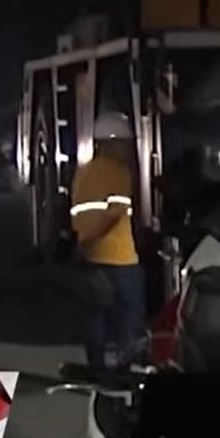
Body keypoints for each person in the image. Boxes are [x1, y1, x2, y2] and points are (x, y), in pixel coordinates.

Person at [71, 111, 145, 378]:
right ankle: (126, 368)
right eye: (124, 144)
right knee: (129, 315)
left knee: (95, 315)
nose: (127, 150)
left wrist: (83, 244)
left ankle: (96, 366)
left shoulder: (84, 172)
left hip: (90, 258)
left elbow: (78, 213)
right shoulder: (119, 172)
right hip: (120, 258)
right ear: (112, 143)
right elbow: (114, 213)